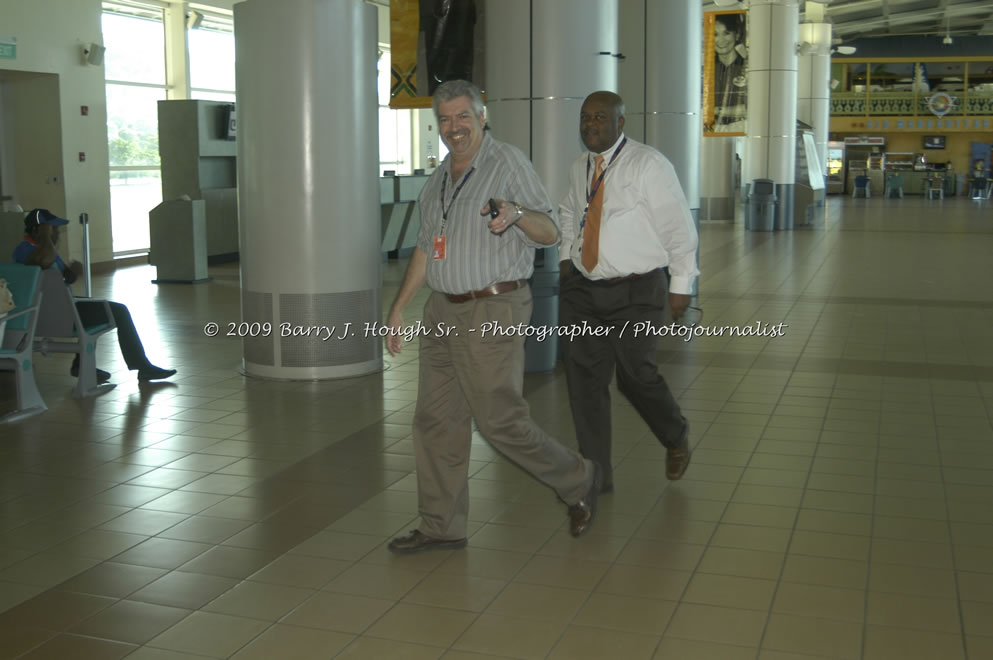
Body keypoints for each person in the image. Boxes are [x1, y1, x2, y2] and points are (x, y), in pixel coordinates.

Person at [384, 80, 601, 554]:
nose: (454, 127)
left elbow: (547, 232)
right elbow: (426, 247)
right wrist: (399, 307)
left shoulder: (507, 163)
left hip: (491, 307)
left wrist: (516, 213)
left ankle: (578, 478)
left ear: (482, 118)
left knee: (499, 420)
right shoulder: (440, 178)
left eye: (463, 117)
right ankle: (441, 525)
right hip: (442, 310)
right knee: (436, 421)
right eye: (445, 119)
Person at [558, 91, 699, 493]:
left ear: (621, 123)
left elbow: (678, 226)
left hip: (636, 291)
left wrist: (681, 283)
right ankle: (595, 475)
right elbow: (570, 210)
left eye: (600, 117)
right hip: (583, 291)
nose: (590, 125)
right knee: (583, 382)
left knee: (636, 376)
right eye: (585, 118)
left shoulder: (648, 164)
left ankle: (675, 435)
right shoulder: (579, 167)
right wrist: (568, 257)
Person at [13, 208, 176, 383]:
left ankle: (81, 364)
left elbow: (58, 276)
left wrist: (71, 272)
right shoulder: (26, 250)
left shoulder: (41, 250)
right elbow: (44, 261)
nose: (57, 234)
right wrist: (45, 236)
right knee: (120, 311)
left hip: (55, 310)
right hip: (57, 314)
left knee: (94, 304)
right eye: (52, 229)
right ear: (38, 230)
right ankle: (143, 367)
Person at [711, 12, 747, 133]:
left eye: (726, 33)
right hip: (712, 130)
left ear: (736, 35)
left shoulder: (747, 68)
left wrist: (715, 110)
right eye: (715, 34)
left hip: (740, 128)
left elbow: (751, 108)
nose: (720, 40)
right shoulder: (709, 70)